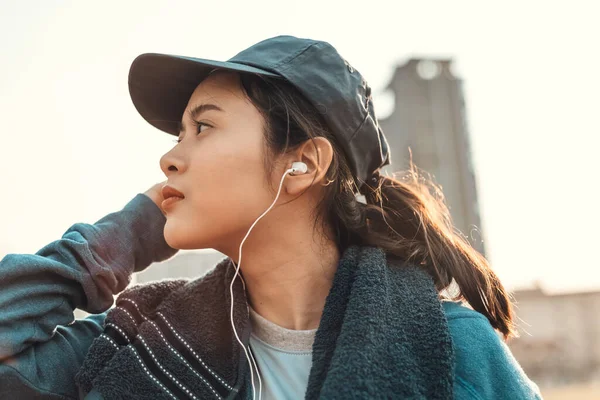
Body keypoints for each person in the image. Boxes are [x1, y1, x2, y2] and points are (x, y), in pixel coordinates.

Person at [0, 35, 542, 400]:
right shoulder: (141, 341)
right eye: (177, 136)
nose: (168, 159)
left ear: (303, 163)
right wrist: (131, 232)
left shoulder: (452, 349)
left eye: (203, 127)